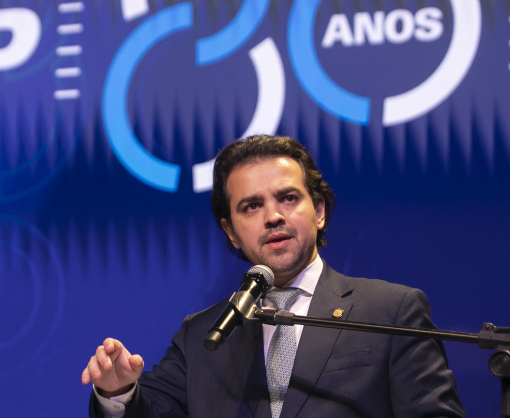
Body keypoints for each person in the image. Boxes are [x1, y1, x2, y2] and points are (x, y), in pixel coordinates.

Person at [81, 135, 465, 417]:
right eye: (251, 206)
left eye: (288, 198)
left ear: (318, 211)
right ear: (230, 231)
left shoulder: (390, 310)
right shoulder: (203, 335)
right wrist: (118, 392)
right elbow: (150, 411)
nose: (273, 216)